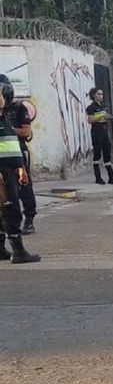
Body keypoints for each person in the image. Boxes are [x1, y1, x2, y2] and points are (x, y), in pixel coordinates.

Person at [0, 77, 40, 264]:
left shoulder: (8, 115)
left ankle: (3, 249)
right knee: (11, 209)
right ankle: (18, 252)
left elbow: (25, 133)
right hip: (4, 172)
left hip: (14, 167)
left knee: (8, 209)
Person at [86, 87, 113, 187]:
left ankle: (111, 177)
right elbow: (90, 120)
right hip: (96, 133)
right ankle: (98, 177)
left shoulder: (102, 107)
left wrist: (107, 117)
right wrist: (101, 117)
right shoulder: (91, 107)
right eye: (98, 94)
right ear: (93, 95)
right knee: (97, 155)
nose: (100, 96)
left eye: (101, 94)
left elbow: (104, 117)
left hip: (104, 132)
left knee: (107, 154)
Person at [15, 101, 37, 234]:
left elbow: (26, 131)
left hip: (19, 154)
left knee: (24, 185)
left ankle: (29, 218)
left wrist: (8, 130)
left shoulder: (18, 109)